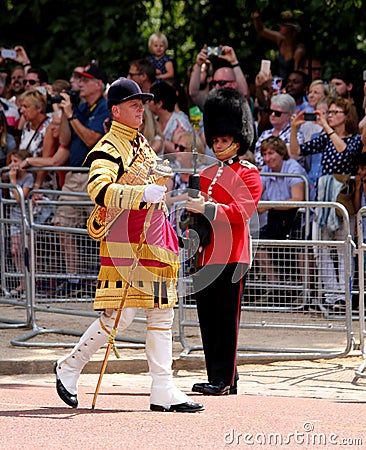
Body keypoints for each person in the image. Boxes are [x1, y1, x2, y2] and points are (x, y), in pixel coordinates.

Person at [53, 77, 204, 413]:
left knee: (162, 315)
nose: (141, 109)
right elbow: (98, 190)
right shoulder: (108, 148)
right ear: (116, 110)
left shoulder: (142, 145)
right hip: (126, 243)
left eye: (142, 103)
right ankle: (70, 367)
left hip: (153, 238)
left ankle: (162, 387)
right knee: (118, 317)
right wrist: (140, 193)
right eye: (135, 104)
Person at [185, 88, 262, 396]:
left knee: (226, 321)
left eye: (223, 140)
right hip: (207, 254)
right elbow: (197, 215)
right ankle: (220, 375)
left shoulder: (249, 174)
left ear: (237, 141)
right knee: (209, 318)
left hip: (232, 254)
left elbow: (241, 211)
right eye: (215, 140)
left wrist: (205, 207)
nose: (217, 145)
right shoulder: (205, 172)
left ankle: (224, 379)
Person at [22, 64, 110, 296]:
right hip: (74, 173)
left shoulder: (105, 107)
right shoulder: (79, 106)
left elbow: (92, 139)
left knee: (104, 228)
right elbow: (65, 138)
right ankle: (74, 279)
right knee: (62, 223)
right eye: (78, 79)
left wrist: (71, 115)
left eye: (85, 80)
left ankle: (106, 279)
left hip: (99, 174)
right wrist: (64, 113)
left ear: (98, 84)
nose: (79, 84)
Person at [290, 97, 364, 310]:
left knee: (343, 248)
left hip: (343, 197)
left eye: (335, 112)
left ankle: (345, 295)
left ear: (346, 116)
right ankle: (332, 295)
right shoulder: (324, 137)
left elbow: (345, 152)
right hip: (324, 198)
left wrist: (325, 127)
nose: (330, 115)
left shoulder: (356, 139)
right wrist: (294, 129)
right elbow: (296, 151)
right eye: (328, 112)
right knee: (320, 247)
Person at [255, 136, 307, 295]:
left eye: (271, 153)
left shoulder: (293, 168)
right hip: (275, 218)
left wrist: (268, 205)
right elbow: (255, 195)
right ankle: (276, 287)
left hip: (296, 219)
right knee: (255, 243)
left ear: (281, 153)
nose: (267, 158)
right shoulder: (265, 170)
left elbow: (298, 199)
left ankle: (306, 292)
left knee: (303, 248)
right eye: (264, 154)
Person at [3, 149, 33, 297]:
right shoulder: (8, 177)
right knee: (15, 252)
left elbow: (19, 199)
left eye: (16, 161)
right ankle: (22, 282)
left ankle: (30, 284)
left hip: (27, 219)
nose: (12, 165)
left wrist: (13, 181)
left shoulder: (28, 178)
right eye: (11, 161)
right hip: (15, 219)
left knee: (27, 252)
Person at [188, 45, 250, 110]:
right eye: (214, 83)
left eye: (222, 83)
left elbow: (244, 93)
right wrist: (198, 64)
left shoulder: (237, 104)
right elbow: (193, 93)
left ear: (234, 84)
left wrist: (234, 62)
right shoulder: (211, 103)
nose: (217, 86)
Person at [254, 93, 303, 169]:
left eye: (277, 113)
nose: (272, 115)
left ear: (289, 115)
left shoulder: (295, 135)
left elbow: (293, 156)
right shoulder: (265, 134)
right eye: (270, 111)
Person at [253, 9, 306, 79]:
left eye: (284, 25)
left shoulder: (298, 51)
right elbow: (261, 30)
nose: (281, 27)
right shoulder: (280, 39)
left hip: (292, 83)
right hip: (280, 81)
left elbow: (297, 75)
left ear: (290, 28)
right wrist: (256, 18)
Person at [148, 81, 193, 154]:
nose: (147, 103)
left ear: (159, 104)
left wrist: (160, 143)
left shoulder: (180, 122)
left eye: (150, 100)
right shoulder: (153, 121)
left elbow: (186, 150)